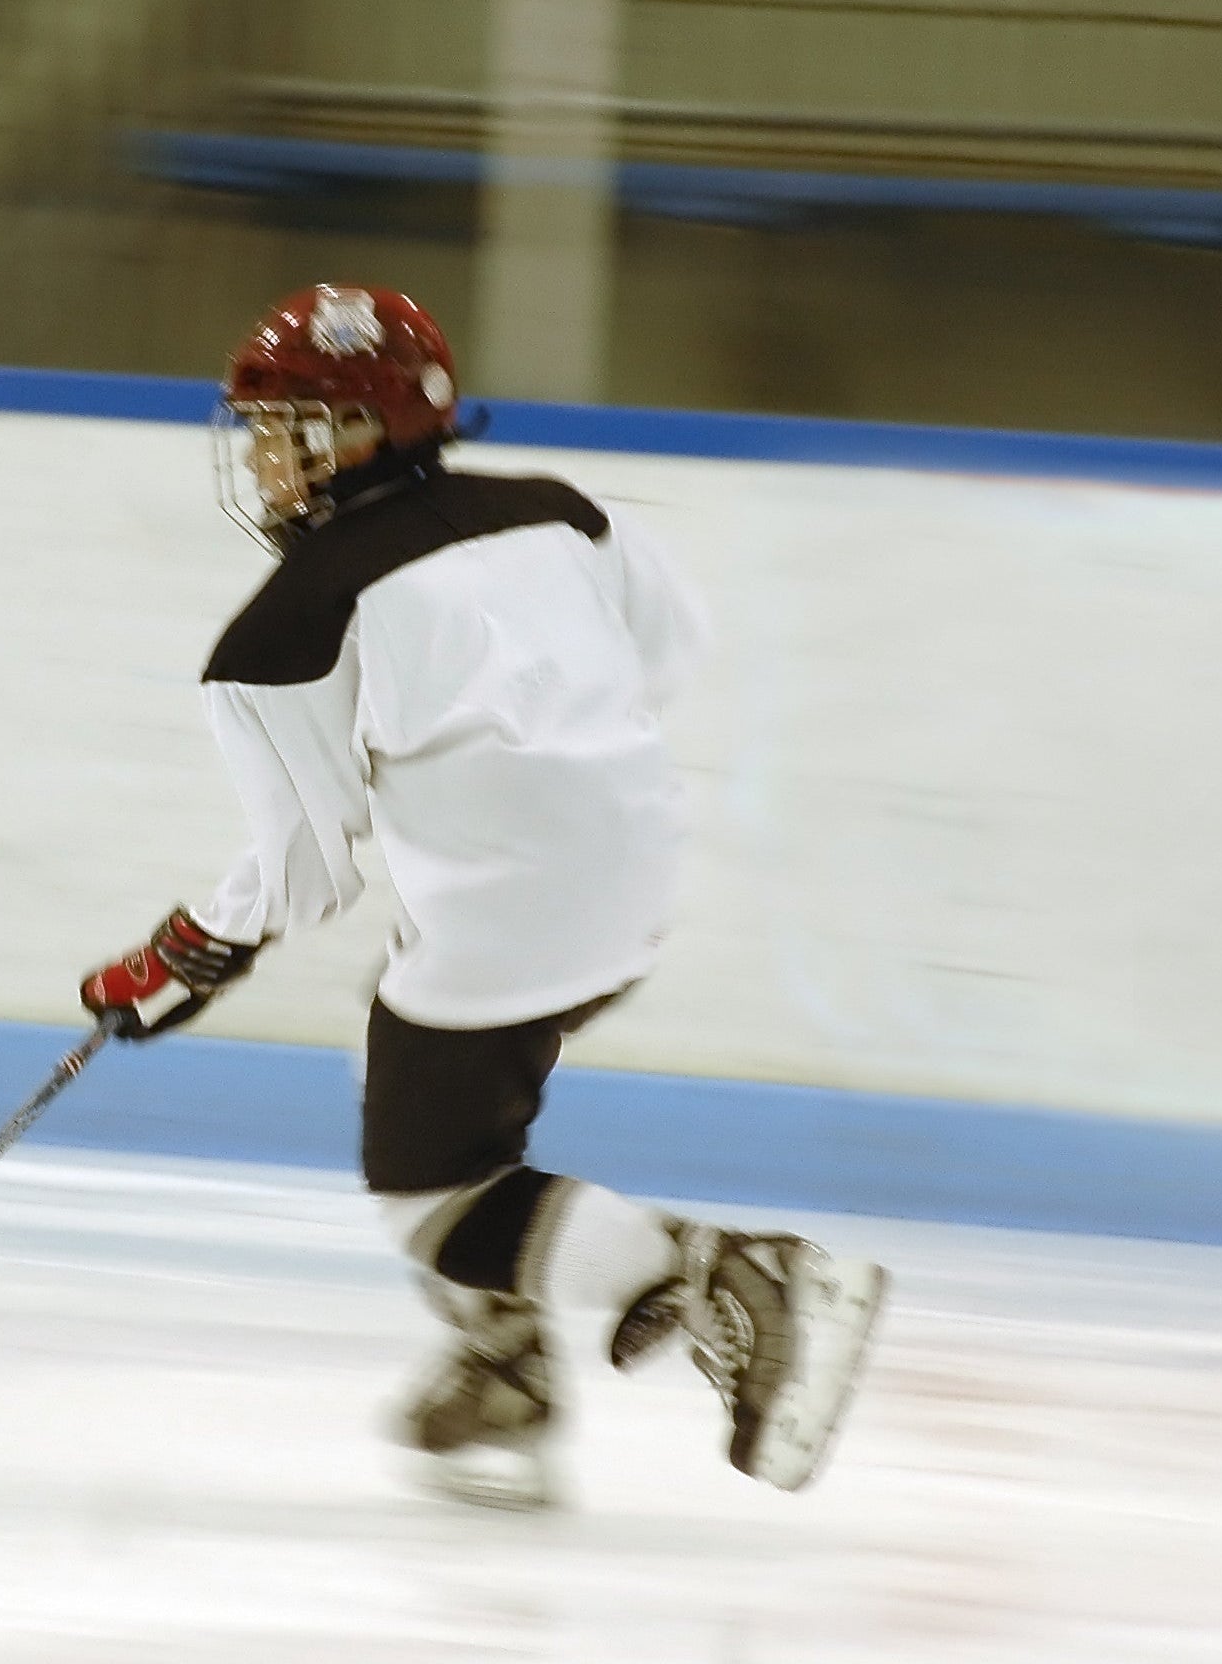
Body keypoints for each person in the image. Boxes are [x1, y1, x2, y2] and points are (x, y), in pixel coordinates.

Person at [77, 284, 886, 1507]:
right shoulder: (561, 510)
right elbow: (671, 649)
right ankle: (504, 1361)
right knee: (408, 1071)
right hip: (633, 867)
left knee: (432, 1195)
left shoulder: (282, 631)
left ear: (368, 428)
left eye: (288, 426)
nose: (261, 457)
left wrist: (187, 952)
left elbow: (307, 867)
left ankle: (722, 1271)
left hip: (505, 910)